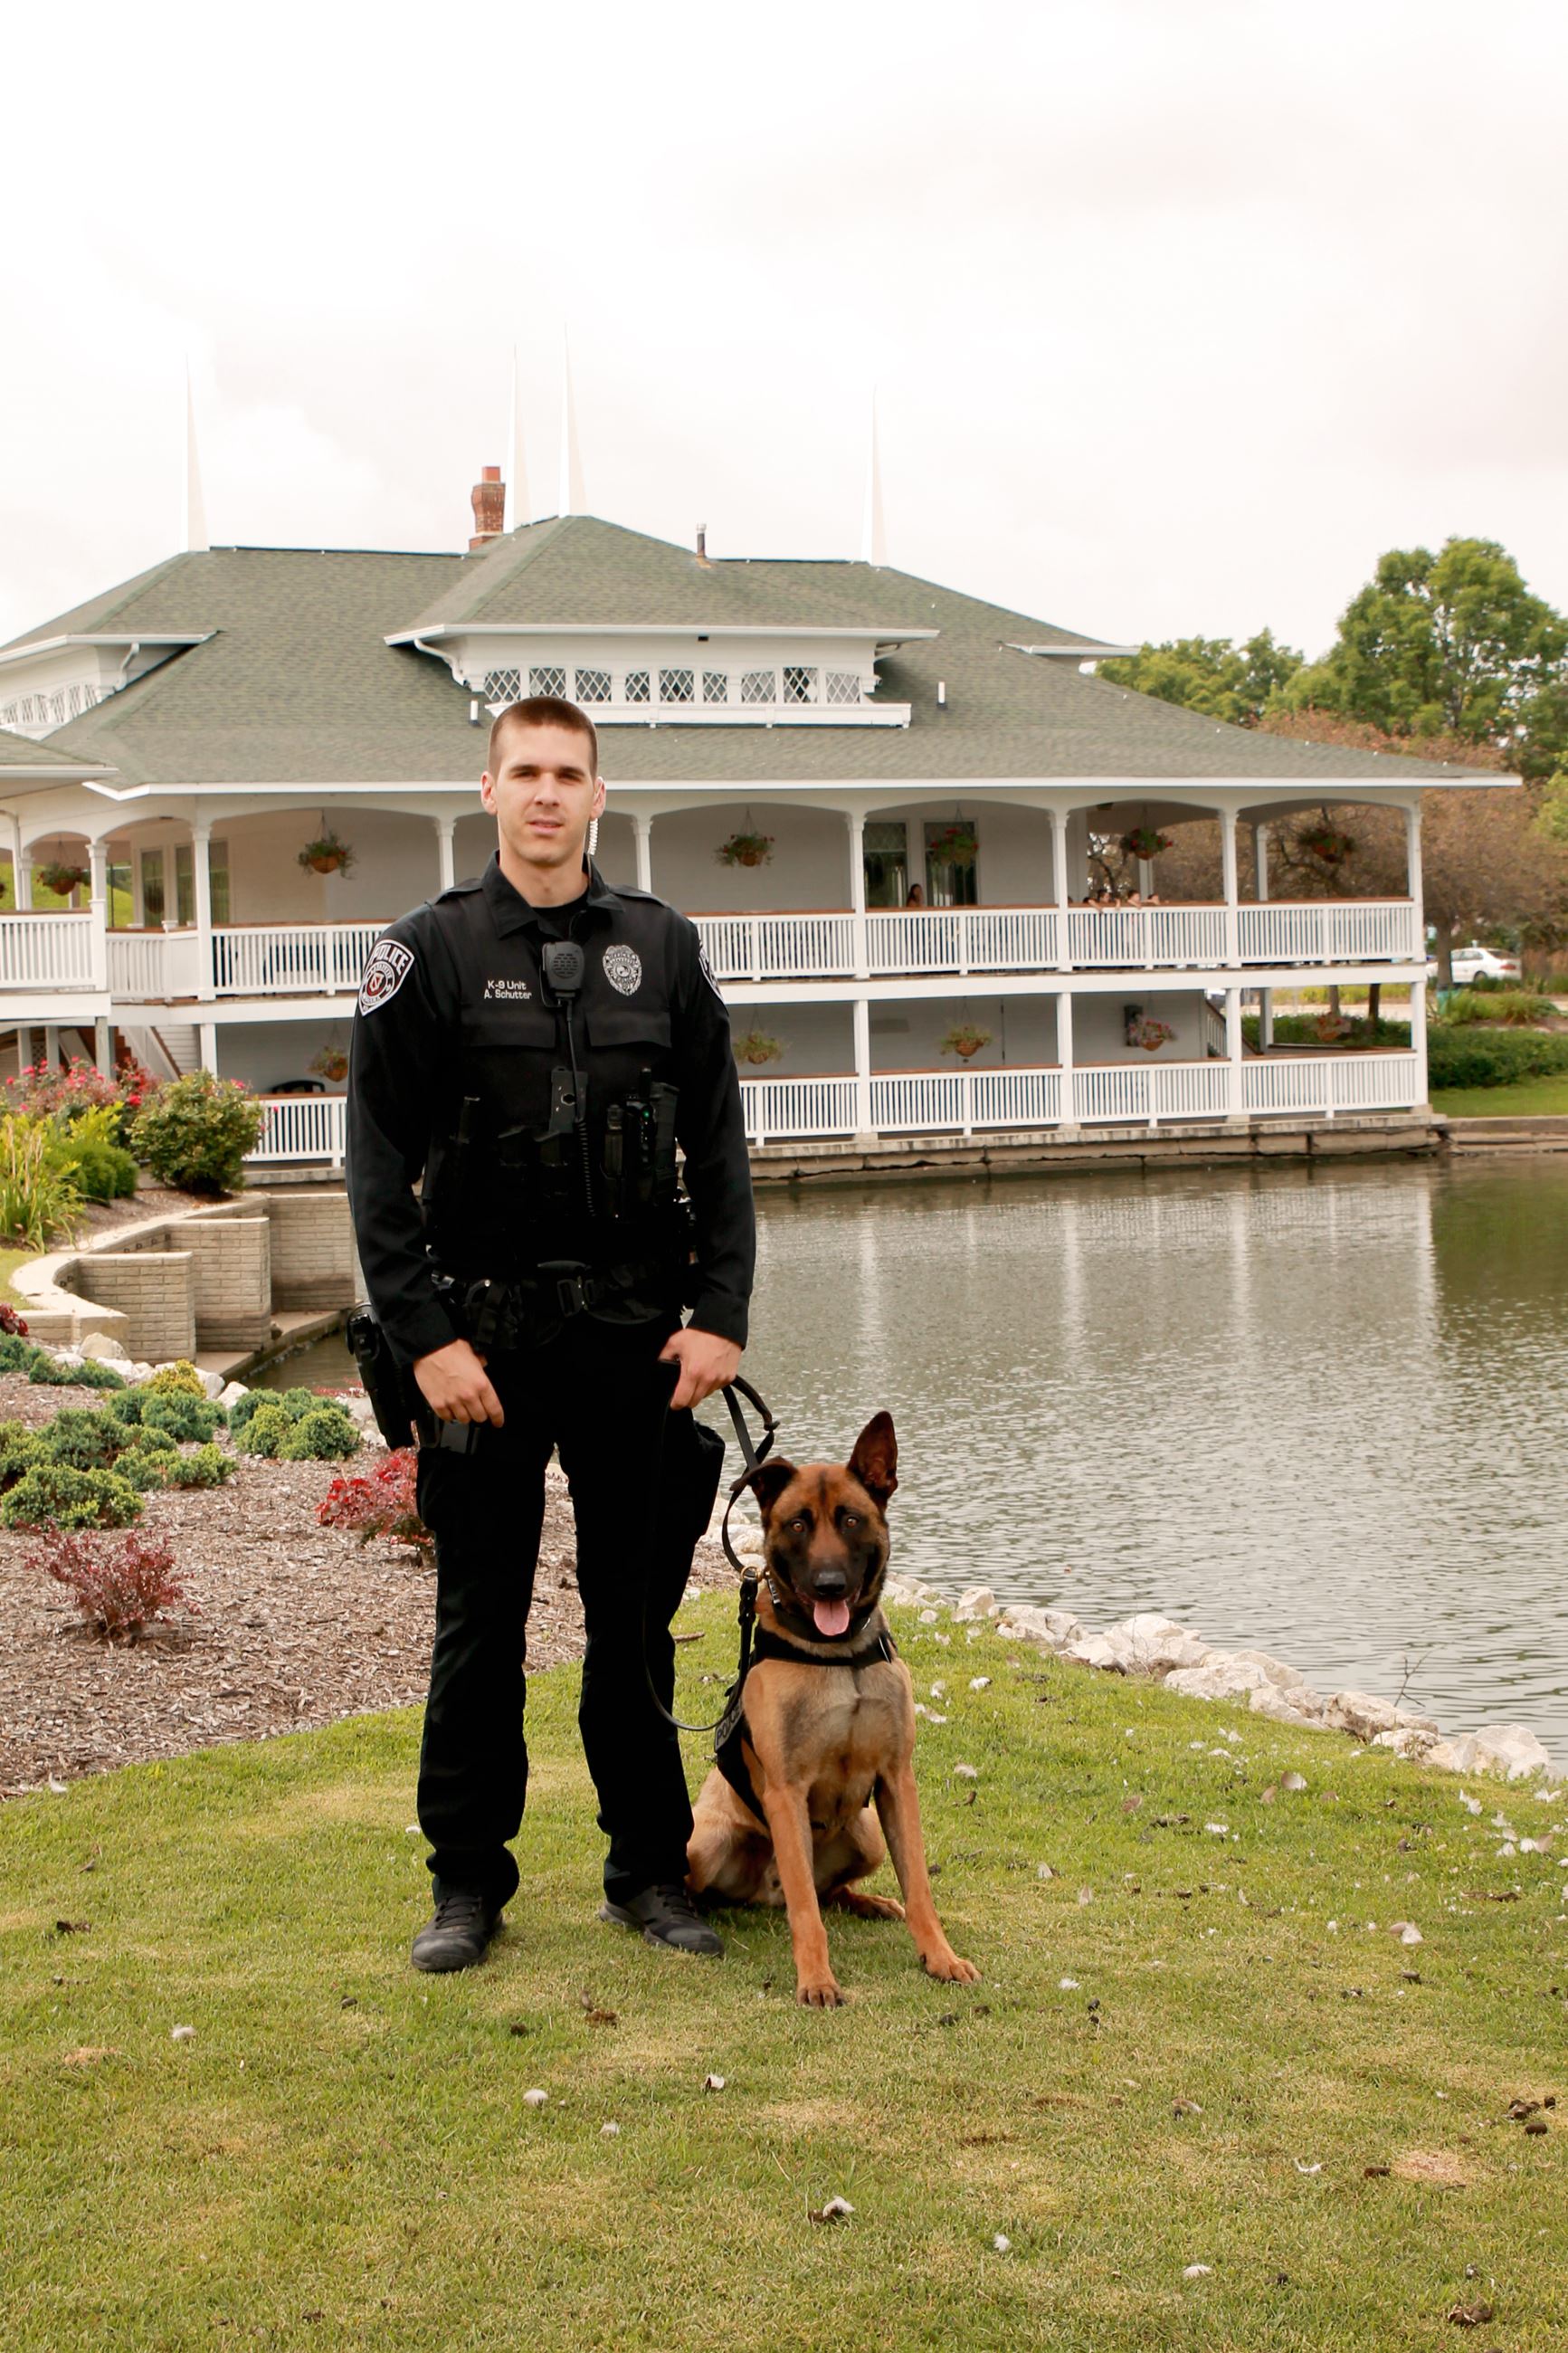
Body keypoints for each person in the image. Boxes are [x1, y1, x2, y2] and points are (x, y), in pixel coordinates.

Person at [347, 694, 755, 1974]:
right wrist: (424, 1340)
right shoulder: (428, 953)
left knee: (632, 1623)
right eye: (522, 771)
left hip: (637, 1342)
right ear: (487, 790)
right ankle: (466, 1884)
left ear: (595, 794)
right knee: (480, 1626)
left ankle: (647, 1871)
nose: (544, 794)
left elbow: (722, 1148)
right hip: (483, 1350)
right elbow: (372, 1167)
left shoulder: (664, 949)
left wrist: (720, 1319)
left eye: (566, 774)